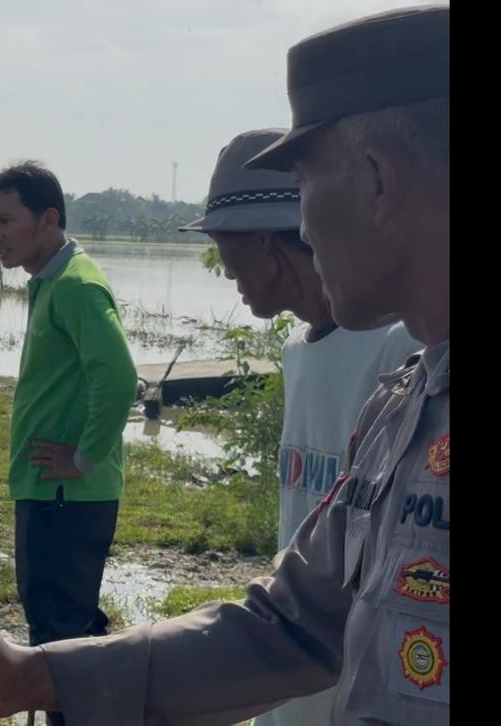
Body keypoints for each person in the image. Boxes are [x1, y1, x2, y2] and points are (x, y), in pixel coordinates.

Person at [0, 7, 449, 724]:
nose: (302, 225)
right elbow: (290, 626)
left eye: (305, 186)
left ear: (377, 179)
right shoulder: (403, 407)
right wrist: (37, 676)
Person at [180, 128, 421, 726]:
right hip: (292, 637)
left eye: (224, 244)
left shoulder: (400, 349)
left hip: (356, 663)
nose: (222, 264)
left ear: (267, 243)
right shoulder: (295, 350)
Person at [0, 161, 138, 725]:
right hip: (51, 491)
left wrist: (85, 456)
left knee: (60, 636)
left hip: (67, 495)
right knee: (61, 626)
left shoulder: (75, 284)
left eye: (6, 220)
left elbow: (119, 376)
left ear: (48, 218)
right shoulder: (52, 281)